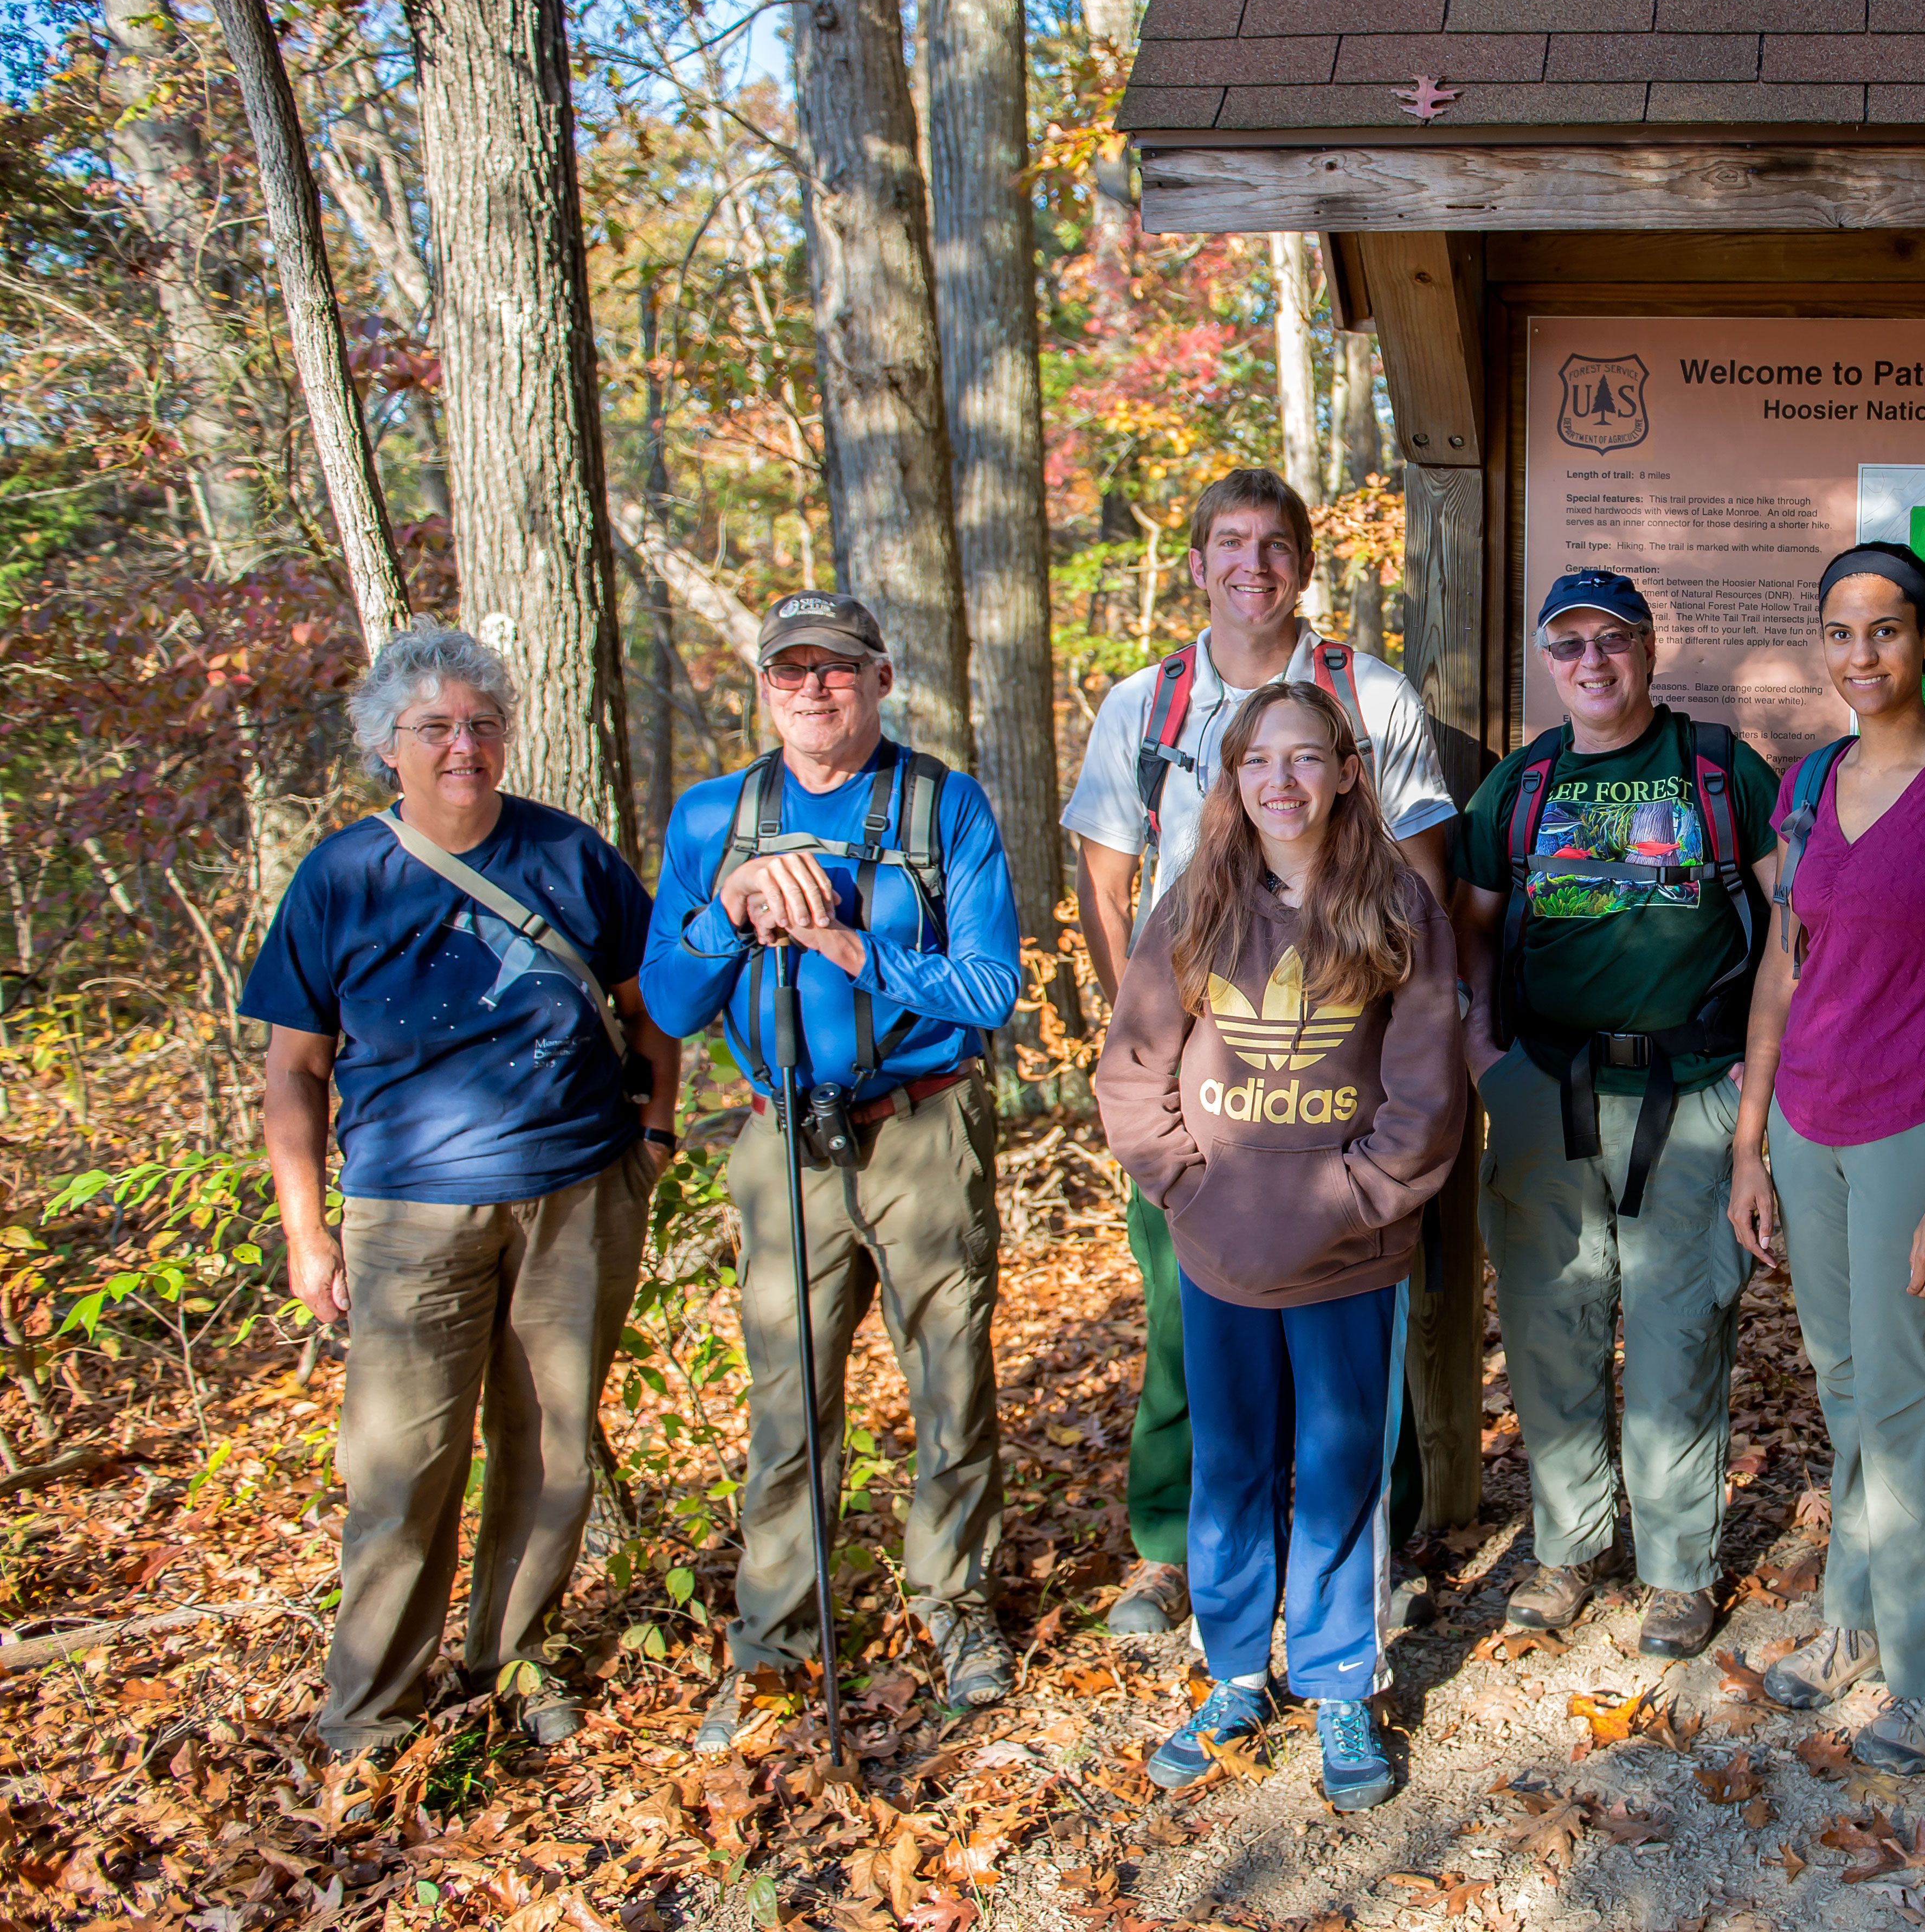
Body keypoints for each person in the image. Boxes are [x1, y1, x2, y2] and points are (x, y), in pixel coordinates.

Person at [245, 619, 680, 1757]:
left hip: (578, 1191)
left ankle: (510, 1664)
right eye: (435, 727)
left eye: (482, 725)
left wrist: (657, 1134)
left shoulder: (568, 854)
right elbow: (292, 1069)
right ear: (388, 744)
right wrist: (306, 1233)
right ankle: (371, 1712)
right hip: (408, 1213)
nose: (463, 747)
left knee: (551, 1451)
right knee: (403, 1468)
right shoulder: (342, 876)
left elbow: (651, 1008)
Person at [1066, 468, 1456, 1637]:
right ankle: (1181, 1551)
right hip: (1205, 1083)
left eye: (1275, 545)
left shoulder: (1366, 693)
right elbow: (1104, 874)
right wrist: (1148, 1043)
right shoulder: (1147, 704)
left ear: (1303, 564)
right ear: (1197, 563)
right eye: (1228, 545)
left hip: (1340, 1072)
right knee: (1190, 1324)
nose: (1253, 565)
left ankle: (1359, 1562)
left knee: (1353, 1336)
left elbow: (1424, 872)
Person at [639, 591, 1025, 1747]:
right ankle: (774, 1646)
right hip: (777, 1143)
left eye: (838, 667)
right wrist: (732, 911)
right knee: (787, 1405)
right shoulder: (716, 817)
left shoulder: (941, 804)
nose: (814, 687)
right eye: (788, 669)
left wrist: (861, 948)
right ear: (763, 686)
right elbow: (666, 998)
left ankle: (954, 1609)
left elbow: (991, 989)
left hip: (921, 1125)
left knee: (949, 1381)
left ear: (882, 676)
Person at [1096, 682, 1463, 1811]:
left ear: (1349, 771)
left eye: (1308, 759)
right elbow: (1131, 1072)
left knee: (1344, 1465)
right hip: (1218, 1248)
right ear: (1234, 780)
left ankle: (1341, 1677)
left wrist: (1356, 1196)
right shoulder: (1193, 906)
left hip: (1350, 1253)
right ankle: (1233, 1677)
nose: (1283, 783)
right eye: (1260, 762)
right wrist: (1188, 1189)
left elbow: (1423, 1095)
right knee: (1233, 1464)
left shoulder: (1399, 905)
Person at [1726, 542, 1925, 1774]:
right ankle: (1858, 1614)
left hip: (1917, 1132)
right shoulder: (1804, 790)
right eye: (1843, 633)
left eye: (1888, 631)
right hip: (1806, 1128)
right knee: (1848, 1388)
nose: (1864, 655)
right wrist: (1751, 1144)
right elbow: (1782, 970)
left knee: (1905, 1404)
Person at [1451, 568, 1782, 1658]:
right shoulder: (1523, 786)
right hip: (1549, 1093)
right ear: (1548, 661)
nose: (1592, 662)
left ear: (1649, 647)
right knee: (1554, 1330)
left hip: (1689, 1093)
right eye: (1569, 644)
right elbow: (1475, 930)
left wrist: (1752, 1096)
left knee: (1681, 1331)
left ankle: (1680, 1568)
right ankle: (1568, 1548)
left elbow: (1796, 926)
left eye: (1613, 640)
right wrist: (1487, 1060)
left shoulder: (1721, 770)